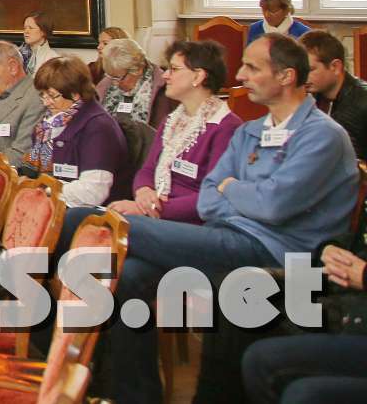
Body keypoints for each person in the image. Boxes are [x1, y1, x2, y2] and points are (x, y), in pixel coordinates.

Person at [98, 33, 358, 404]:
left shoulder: (322, 135)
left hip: (279, 254)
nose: (240, 75)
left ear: (286, 76)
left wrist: (232, 189)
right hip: (228, 236)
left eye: (252, 67)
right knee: (131, 273)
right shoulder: (253, 130)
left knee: (110, 226)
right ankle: (135, 396)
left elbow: (273, 206)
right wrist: (241, 194)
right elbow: (209, 199)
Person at [106, 39, 239, 225]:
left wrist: (151, 209)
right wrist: (143, 190)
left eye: (174, 69)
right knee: (87, 219)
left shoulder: (226, 127)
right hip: (159, 216)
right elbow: (147, 170)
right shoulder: (172, 121)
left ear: (198, 76)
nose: (165, 75)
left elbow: (214, 195)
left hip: (192, 224)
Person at [242, 238, 367, 404]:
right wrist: (330, 249)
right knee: (238, 298)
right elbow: (355, 240)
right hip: (341, 296)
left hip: (352, 314)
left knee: (304, 394)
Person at [25, 55, 130, 207]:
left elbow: (93, 192)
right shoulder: (51, 122)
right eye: (42, 95)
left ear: (75, 94)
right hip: (54, 201)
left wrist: (44, 190)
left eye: (53, 96)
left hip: (86, 212)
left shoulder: (99, 127)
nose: (46, 102)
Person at [301, 29, 367, 160]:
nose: (302, 77)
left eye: (310, 69)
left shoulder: (362, 103)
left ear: (335, 67)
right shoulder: (311, 95)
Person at [95, 36, 169, 128]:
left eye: (118, 78)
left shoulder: (162, 92)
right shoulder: (105, 84)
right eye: (110, 77)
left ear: (137, 70)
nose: (114, 83)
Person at [245, 0, 310, 45]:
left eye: (272, 11)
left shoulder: (303, 32)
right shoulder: (254, 28)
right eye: (264, 10)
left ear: (286, 10)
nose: (267, 15)